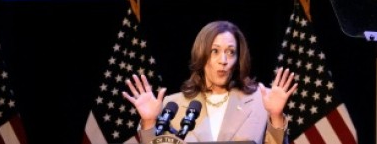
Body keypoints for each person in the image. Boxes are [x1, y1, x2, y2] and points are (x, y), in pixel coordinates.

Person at [123, 20, 298, 143]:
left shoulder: (260, 103)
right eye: (215, 51)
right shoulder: (172, 106)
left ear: (239, 59)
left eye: (230, 52)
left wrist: (275, 116)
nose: (223, 60)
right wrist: (148, 123)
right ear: (201, 55)